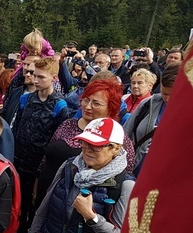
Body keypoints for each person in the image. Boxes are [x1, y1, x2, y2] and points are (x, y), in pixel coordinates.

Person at [36, 78, 136, 206]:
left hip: (79, 203)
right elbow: (46, 158)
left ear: (111, 108)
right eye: (86, 100)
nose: (88, 107)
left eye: (96, 103)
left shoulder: (118, 138)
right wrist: (37, 183)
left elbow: (122, 176)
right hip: (46, 192)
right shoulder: (68, 124)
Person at [12, 56, 70, 233]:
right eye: (33, 75)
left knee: (36, 205)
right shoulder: (25, 99)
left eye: (41, 77)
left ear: (54, 78)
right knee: (19, 202)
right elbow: (17, 126)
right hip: (20, 161)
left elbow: (58, 138)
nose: (35, 80)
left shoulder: (59, 106)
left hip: (40, 166)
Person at [124, 62, 179, 176]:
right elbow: (126, 133)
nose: (167, 99)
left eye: (173, 94)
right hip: (136, 168)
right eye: (165, 93)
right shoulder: (148, 103)